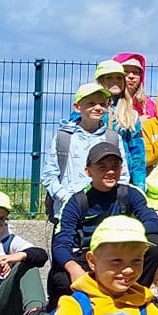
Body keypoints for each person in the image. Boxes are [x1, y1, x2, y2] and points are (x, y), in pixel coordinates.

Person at [51, 138, 158, 296]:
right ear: (88, 171)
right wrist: (73, 268)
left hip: (123, 253)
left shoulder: (131, 194)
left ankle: (135, 296)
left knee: (155, 242)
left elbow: (155, 224)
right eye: (102, 167)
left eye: (114, 166)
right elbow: (60, 244)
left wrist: (120, 235)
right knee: (61, 276)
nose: (110, 172)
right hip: (90, 256)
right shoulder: (76, 202)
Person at [45, 82, 113, 219]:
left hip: (103, 214)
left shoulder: (112, 138)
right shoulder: (63, 137)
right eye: (91, 103)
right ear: (77, 107)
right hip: (67, 214)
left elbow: (122, 175)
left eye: (102, 104)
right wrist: (67, 199)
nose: (98, 107)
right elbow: (49, 175)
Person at [95, 59, 150, 187]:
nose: (114, 81)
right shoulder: (91, 110)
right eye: (109, 77)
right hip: (94, 175)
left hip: (122, 178)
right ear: (100, 81)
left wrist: (139, 186)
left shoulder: (130, 114)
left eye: (119, 78)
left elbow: (138, 154)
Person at [111, 53, 156, 119]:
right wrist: (138, 123)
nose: (131, 76)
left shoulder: (148, 105)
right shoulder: (109, 102)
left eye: (135, 72)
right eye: (125, 72)